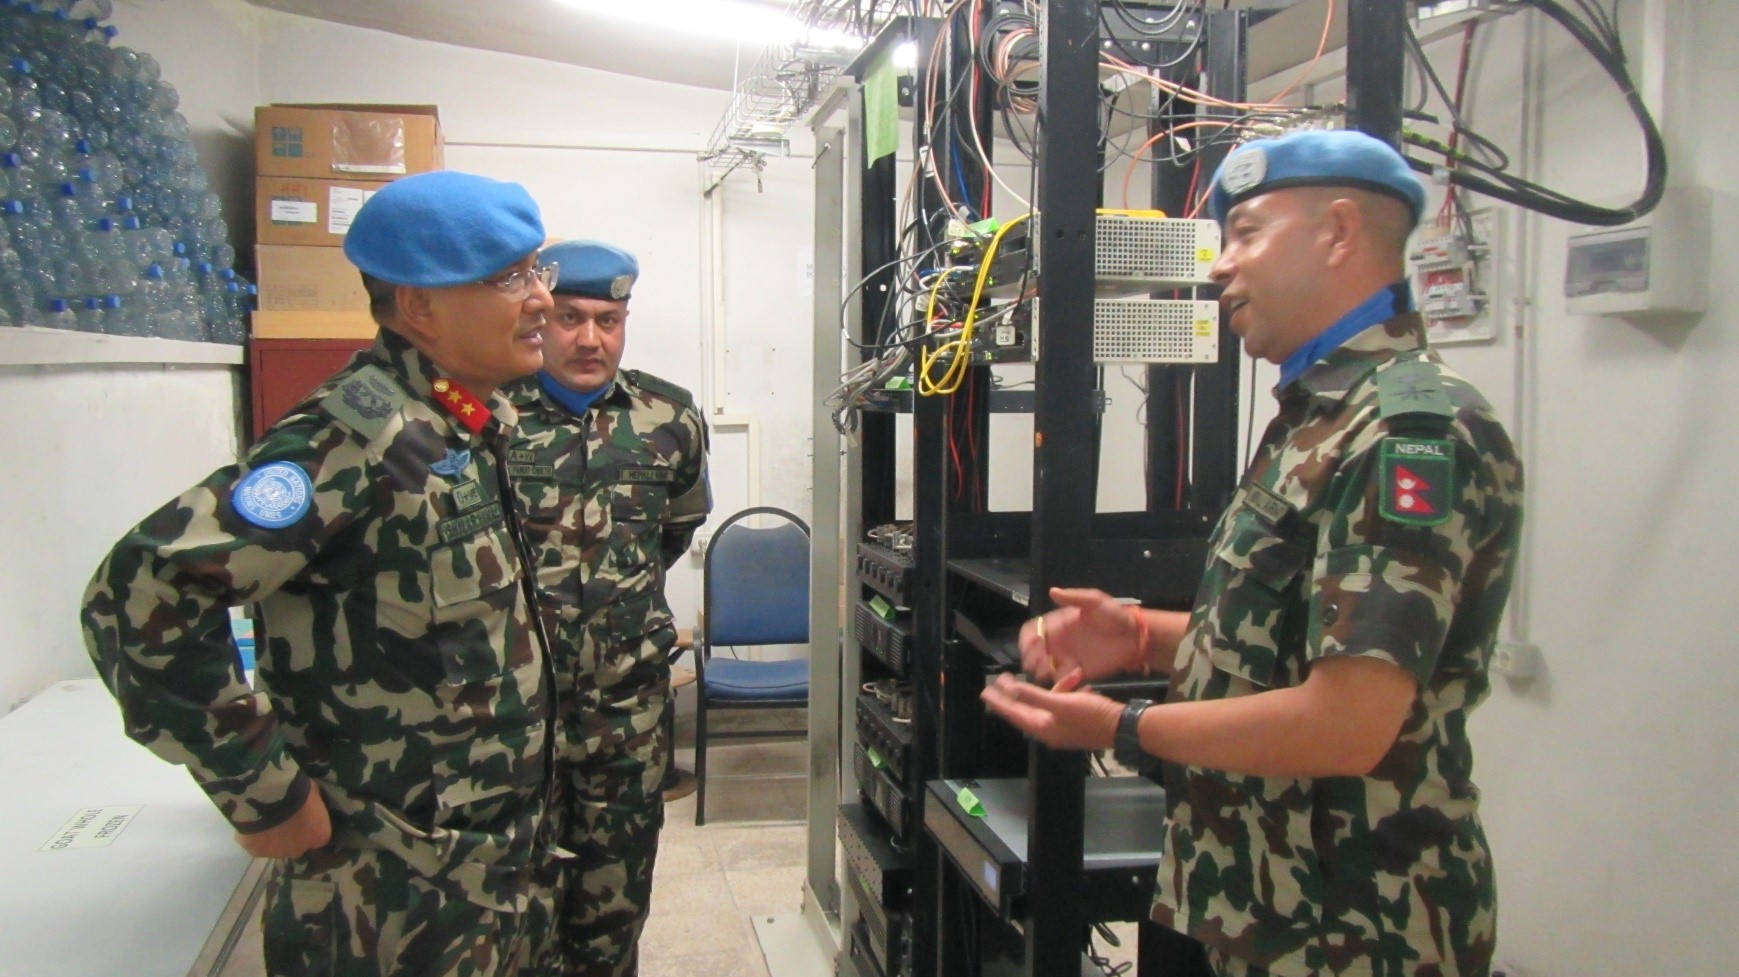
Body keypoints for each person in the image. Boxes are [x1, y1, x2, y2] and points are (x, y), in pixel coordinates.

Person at [980, 130, 1524, 977]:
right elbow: (1296, 638)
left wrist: (1122, 726)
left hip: (1358, 927)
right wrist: (1141, 634)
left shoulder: (1406, 432)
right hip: (1272, 903)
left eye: (1246, 233)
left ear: (1337, 232)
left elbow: (1345, 723)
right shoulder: (1320, 417)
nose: (1220, 265)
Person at [81, 170, 564, 977]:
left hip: (482, 863)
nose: (541, 298)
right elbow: (141, 590)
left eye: (536, 269)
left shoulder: (459, 421)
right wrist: (260, 788)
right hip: (386, 889)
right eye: (510, 277)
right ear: (420, 306)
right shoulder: (352, 439)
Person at [503, 239, 710, 977]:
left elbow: (675, 529)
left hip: (625, 717)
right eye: (570, 318)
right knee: (514, 913)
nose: (591, 339)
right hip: (512, 718)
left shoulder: (668, 417)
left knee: (614, 904)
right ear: (540, 318)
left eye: (609, 320)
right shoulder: (490, 413)